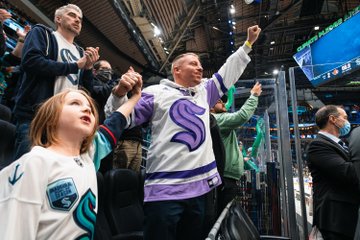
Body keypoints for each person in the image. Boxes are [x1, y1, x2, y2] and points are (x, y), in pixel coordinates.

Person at [106, 25, 261, 240]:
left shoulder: (204, 92)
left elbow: (228, 71)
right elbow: (120, 118)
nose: (200, 68)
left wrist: (247, 45)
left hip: (200, 190)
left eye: (200, 64)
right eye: (193, 63)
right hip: (164, 190)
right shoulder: (155, 93)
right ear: (176, 70)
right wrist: (120, 92)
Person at [0, 74, 141, 239]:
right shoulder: (35, 161)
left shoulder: (89, 157)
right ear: (50, 118)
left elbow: (115, 121)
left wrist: (135, 97)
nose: (87, 108)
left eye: (90, 107)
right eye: (75, 103)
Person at [13, 3, 100, 160]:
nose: (77, 20)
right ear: (58, 19)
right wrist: (74, 66)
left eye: (79, 19)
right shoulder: (43, 33)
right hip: (35, 116)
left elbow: (86, 90)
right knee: (25, 172)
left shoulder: (80, 52)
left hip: (63, 122)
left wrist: (87, 68)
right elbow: (31, 61)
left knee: (51, 176)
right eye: (72, 15)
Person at [307, 105, 360, 239]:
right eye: (344, 118)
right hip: (334, 221)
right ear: (332, 119)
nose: (347, 122)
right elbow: (348, 173)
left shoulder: (341, 144)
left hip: (346, 218)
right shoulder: (317, 145)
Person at [210, 82, 261, 212]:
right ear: (210, 108)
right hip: (225, 178)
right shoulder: (217, 119)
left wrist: (230, 93)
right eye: (219, 101)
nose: (223, 102)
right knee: (225, 215)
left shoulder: (215, 117)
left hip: (225, 176)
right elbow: (241, 116)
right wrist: (254, 95)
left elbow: (224, 107)